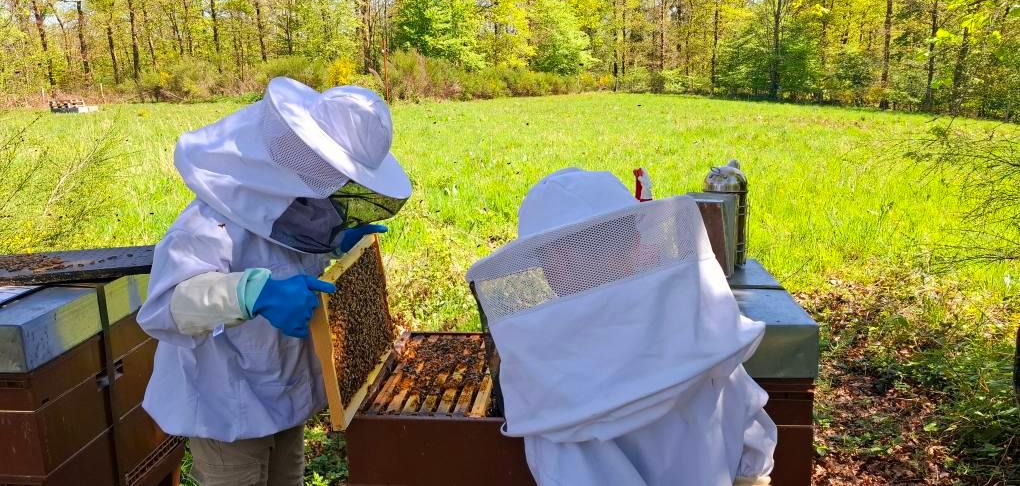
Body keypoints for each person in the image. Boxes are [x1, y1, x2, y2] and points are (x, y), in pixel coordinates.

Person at [137, 77, 411, 485]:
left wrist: (336, 243)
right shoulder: (206, 223)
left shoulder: (295, 210)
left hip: (282, 394)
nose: (335, 188)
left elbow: (294, 251)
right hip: (228, 407)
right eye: (331, 172)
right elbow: (165, 308)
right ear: (300, 155)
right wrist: (252, 294)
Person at [468, 168, 776, 486]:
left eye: (546, 257)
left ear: (557, 259)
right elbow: (751, 440)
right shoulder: (698, 324)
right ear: (635, 242)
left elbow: (569, 475)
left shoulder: (555, 384)